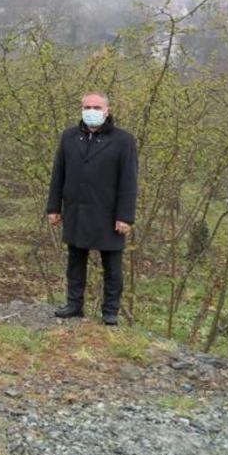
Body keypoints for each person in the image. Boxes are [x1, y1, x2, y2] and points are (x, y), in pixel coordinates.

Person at [47, 92, 138, 326]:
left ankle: (110, 311)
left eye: (97, 107)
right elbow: (59, 174)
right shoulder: (69, 137)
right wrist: (54, 207)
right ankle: (74, 304)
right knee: (75, 261)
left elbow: (129, 181)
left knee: (112, 267)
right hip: (76, 210)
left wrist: (125, 216)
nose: (91, 111)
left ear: (107, 110)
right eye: (87, 106)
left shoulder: (123, 140)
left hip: (108, 213)